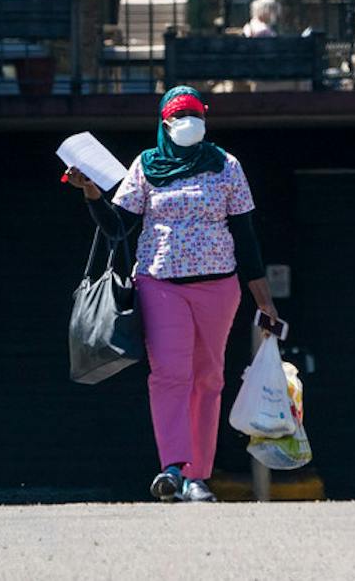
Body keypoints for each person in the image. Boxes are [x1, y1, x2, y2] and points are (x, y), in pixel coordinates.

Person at [65, 85, 280, 503]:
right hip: (160, 284)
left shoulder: (226, 166)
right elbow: (116, 229)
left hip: (219, 286)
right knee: (169, 375)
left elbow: (246, 237)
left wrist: (263, 299)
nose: (189, 123)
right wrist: (92, 194)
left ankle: (199, 476)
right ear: (164, 122)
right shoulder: (145, 167)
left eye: (195, 114)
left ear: (205, 119)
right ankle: (173, 469)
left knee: (209, 378)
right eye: (180, 115)